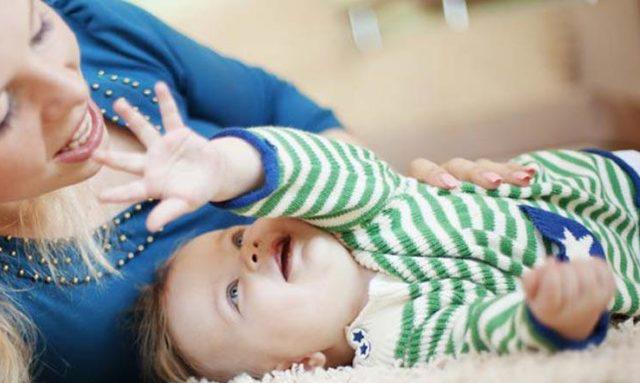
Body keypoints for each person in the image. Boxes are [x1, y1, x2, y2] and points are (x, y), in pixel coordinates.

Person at [0, 0, 532, 382]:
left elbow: (289, 111)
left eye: (37, 29)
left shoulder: (98, 28)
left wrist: (422, 208)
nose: (73, 92)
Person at [121, 86, 640, 382]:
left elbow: (323, 166)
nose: (250, 252)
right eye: (233, 293)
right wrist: (547, 316)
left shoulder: (363, 209)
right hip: (625, 267)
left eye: (234, 240)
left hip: (609, 182)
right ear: (298, 368)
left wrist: (227, 170)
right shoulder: (395, 345)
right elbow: (478, 331)